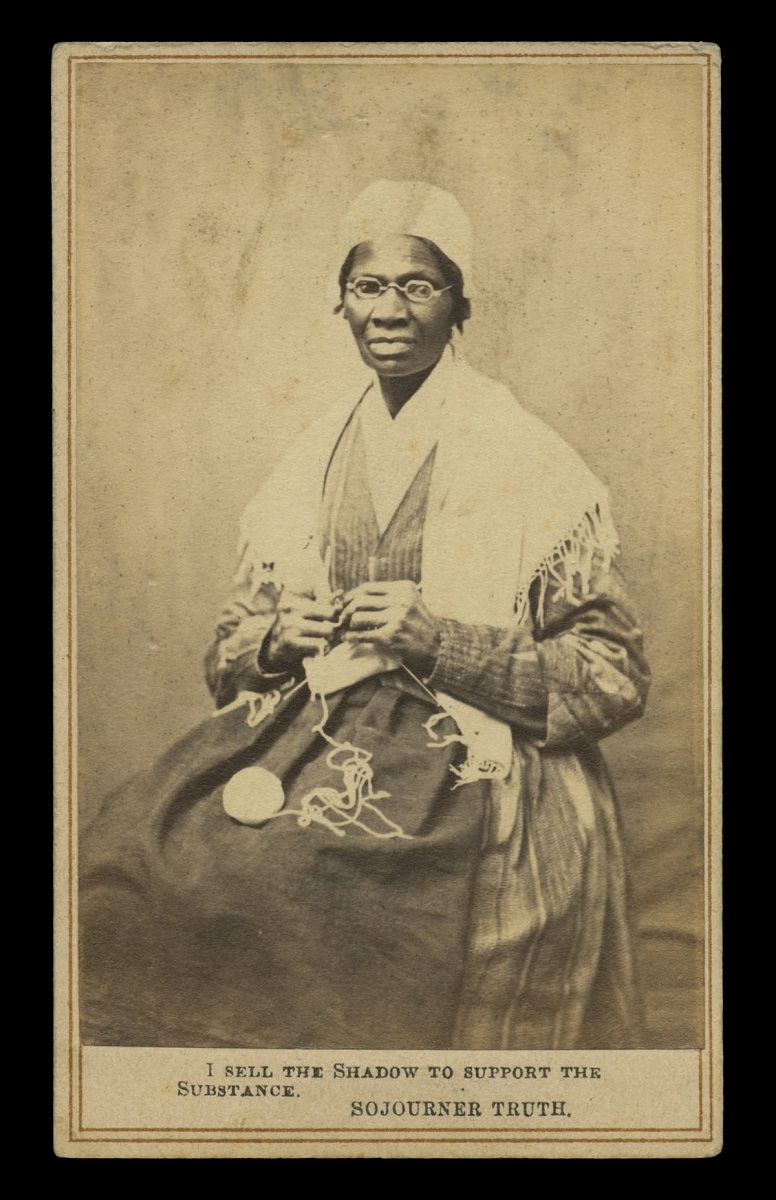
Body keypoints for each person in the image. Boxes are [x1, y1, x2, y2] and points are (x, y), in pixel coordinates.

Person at [80, 180, 650, 1051]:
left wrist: (441, 640)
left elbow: (613, 675)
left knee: (293, 878)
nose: (390, 310)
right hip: (316, 730)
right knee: (126, 859)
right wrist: (278, 639)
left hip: (467, 756)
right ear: (340, 302)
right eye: (369, 286)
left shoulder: (529, 458)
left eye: (418, 286)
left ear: (462, 305)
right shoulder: (313, 456)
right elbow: (228, 653)